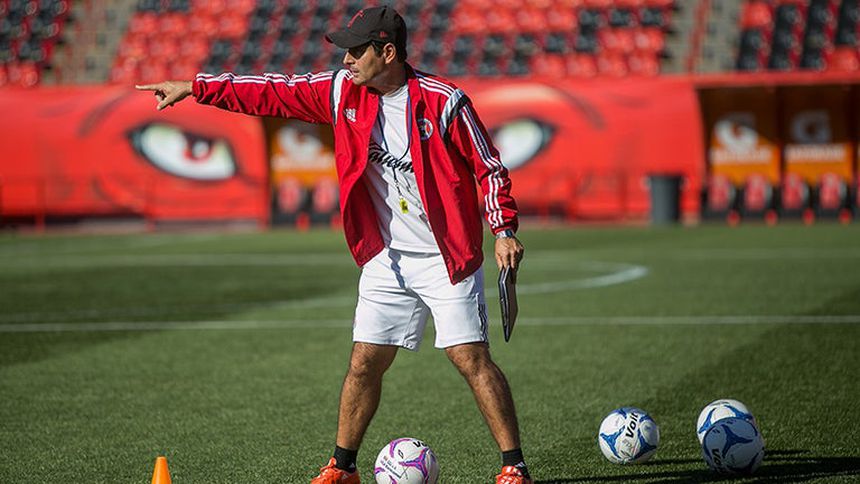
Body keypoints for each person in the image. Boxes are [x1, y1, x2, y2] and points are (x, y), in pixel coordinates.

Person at [136, 6, 529, 483]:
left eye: (356, 50)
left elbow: (489, 167)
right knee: (364, 362)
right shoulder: (343, 90)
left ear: (388, 53)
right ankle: (342, 468)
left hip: (448, 258)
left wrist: (503, 230)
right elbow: (274, 92)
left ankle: (514, 466)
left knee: (470, 359)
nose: (346, 60)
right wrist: (196, 88)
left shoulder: (444, 101)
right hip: (385, 258)